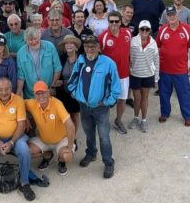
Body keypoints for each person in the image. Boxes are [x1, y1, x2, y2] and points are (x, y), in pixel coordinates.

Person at [69, 35, 122, 179]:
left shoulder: (108, 63)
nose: (90, 49)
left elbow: (116, 88)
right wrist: (75, 94)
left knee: (104, 136)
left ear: (98, 48)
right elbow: (72, 80)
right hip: (84, 107)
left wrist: (107, 102)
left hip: (101, 108)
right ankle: (91, 154)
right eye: (87, 46)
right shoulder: (80, 61)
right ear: (84, 48)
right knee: (89, 133)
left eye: (93, 46)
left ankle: (108, 162)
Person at [0, 77, 35, 200]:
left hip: (15, 137)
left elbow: (21, 125)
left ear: (11, 88)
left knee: (24, 150)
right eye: (0, 89)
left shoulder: (18, 100)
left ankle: (25, 183)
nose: (4, 93)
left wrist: (12, 142)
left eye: (7, 89)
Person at [156, 6, 190, 126]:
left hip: (180, 69)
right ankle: (165, 113)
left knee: (184, 93)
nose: (172, 17)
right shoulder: (162, 29)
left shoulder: (186, 29)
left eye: (173, 14)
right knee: (164, 93)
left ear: (177, 15)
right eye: (169, 15)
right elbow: (157, 47)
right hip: (164, 69)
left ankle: (188, 116)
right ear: (166, 17)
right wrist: (157, 66)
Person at [26, 81, 76, 176]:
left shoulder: (57, 104)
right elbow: (17, 103)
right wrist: (24, 118)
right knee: (26, 151)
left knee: (67, 156)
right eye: (38, 93)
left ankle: (61, 160)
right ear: (34, 95)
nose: (41, 96)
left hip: (61, 139)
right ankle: (48, 155)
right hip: (43, 140)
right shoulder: (31, 103)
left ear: (49, 92)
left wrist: (69, 146)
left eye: (44, 93)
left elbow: (70, 126)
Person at [98, 10, 133, 133]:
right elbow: (99, 56)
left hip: (124, 74)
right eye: (111, 21)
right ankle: (103, 123)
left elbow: (130, 50)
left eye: (116, 21)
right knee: (106, 101)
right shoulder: (103, 37)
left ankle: (118, 121)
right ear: (108, 22)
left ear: (120, 22)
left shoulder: (128, 33)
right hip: (109, 76)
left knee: (122, 100)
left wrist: (131, 61)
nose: (113, 23)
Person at [129, 20, 158, 132]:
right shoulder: (133, 41)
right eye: (142, 29)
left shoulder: (153, 43)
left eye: (146, 29)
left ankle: (144, 120)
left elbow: (157, 61)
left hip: (148, 74)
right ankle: (136, 117)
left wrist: (156, 78)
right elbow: (128, 56)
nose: (144, 31)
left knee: (145, 98)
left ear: (150, 30)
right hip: (135, 74)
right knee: (137, 98)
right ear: (139, 30)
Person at [17, 27, 62, 99]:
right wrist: (18, 94)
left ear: (39, 36)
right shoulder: (21, 53)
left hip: (48, 92)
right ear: (26, 40)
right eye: (30, 40)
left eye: (35, 39)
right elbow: (20, 76)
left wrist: (52, 86)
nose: (34, 42)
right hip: (30, 94)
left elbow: (57, 68)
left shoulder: (50, 47)